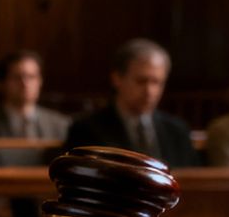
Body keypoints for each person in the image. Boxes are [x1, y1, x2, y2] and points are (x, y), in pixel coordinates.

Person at [65, 38, 199, 169]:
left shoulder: (177, 131)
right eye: (141, 81)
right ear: (117, 78)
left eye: (156, 82)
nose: (149, 91)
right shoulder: (86, 130)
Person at [0, 50, 71, 142]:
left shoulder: (61, 125)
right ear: (1, 83)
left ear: (40, 81)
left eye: (31, 77)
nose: (25, 83)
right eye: (17, 77)